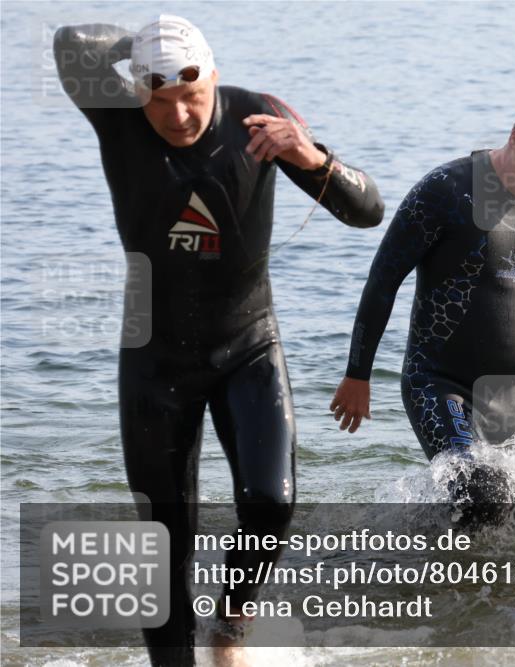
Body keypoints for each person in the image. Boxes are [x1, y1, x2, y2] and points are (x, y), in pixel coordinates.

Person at [53, 14, 384, 666]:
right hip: (155, 360)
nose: (178, 115)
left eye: (192, 94)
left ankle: (231, 621)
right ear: (137, 92)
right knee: (165, 542)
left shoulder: (258, 121)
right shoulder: (118, 117)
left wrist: (310, 157)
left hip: (247, 346)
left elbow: (368, 211)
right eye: (160, 99)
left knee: (271, 504)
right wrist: (147, 46)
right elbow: (70, 44)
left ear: (214, 77)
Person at [330, 96, 515, 519]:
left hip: (514, 393)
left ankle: (424, 545)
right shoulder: (447, 190)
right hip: (440, 381)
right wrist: (358, 374)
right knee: (483, 496)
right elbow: (383, 281)